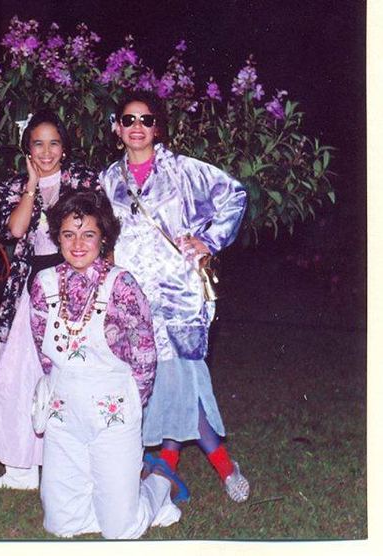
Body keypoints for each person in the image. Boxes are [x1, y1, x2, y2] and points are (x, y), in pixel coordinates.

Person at [100, 90, 250, 502]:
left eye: (146, 120)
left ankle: (223, 467)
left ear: (157, 128)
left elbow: (235, 195)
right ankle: (164, 464)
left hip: (178, 297)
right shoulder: (109, 179)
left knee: (183, 382)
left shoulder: (183, 170)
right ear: (117, 128)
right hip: (132, 297)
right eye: (128, 120)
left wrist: (208, 241)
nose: (137, 127)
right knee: (147, 383)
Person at [30, 190, 183, 539]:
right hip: (63, 412)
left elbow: (144, 354)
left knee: (120, 530)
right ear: (57, 237)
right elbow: (43, 347)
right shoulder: (44, 283)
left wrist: (128, 406)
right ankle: (100, 498)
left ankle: (159, 484)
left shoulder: (121, 284)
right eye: (68, 234)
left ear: (103, 238)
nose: (77, 244)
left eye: (88, 234)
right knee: (61, 526)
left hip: (114, 412)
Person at [0, 110, 99, 489]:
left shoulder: (82, 181)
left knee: (73, 373)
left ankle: (74, 463)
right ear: (27, 148)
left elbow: (95, 232)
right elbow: (15, 230)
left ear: (64, 147)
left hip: (75, 283)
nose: (46, 152)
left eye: (54, 143)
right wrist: (32, 184)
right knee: (18, 372)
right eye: (38, 144)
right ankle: (20, 467)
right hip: (31, 286)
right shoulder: (16, 185)